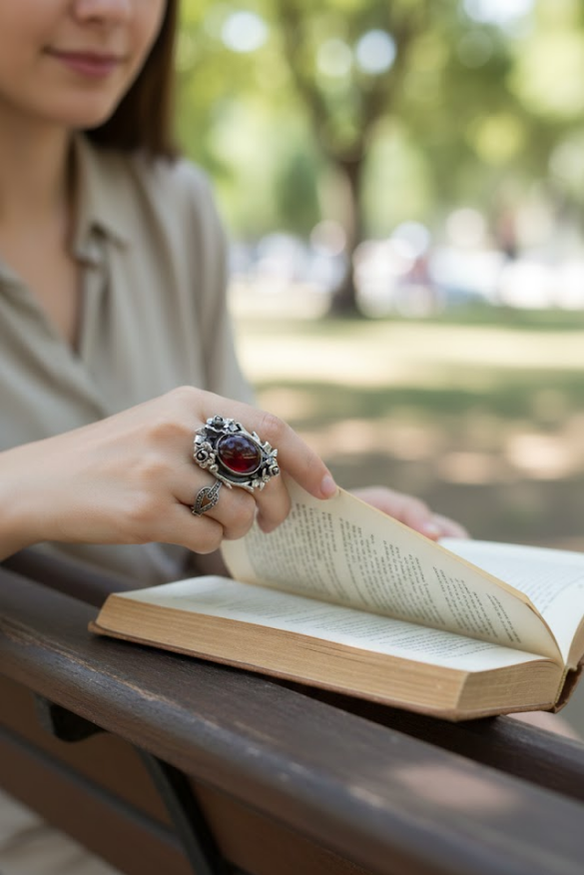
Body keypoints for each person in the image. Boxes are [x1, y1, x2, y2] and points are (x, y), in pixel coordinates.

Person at [0, 1, 467, 872]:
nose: (107, 9)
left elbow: (212, 500)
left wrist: (312, 532)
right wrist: (23, 487)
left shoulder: (172, 206)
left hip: (212, 787)